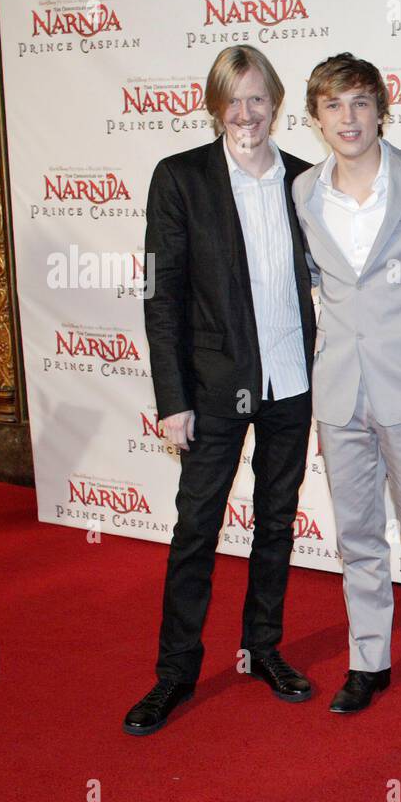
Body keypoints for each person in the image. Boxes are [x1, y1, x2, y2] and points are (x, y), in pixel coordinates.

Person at [124, 45, 316, 735]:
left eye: (258, 97)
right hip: (212, 385)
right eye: (233, 99)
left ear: (276, 102)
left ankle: (263, 648)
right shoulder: (180, 179)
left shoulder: (303, 179)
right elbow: (161, 294)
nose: (247, 112)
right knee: (196, 527)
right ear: (214, 107)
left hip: (291, 380)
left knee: (276, 519)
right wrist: (172, 397)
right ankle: (175, 670)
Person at [291, 53, 401, 714]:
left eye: (361, 102)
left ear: (382, 110)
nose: (349, 117)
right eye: (334, 105)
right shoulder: (305, 191)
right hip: (339, 390)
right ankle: (368, 657)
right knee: (358, 536)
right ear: (315, 118)